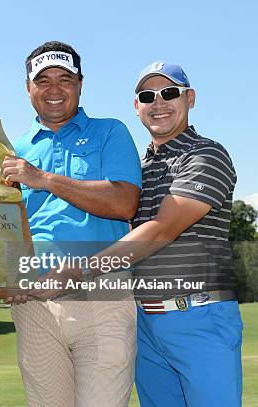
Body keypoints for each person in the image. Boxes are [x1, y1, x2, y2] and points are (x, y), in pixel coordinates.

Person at [0, 41, 142, 407]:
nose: (54, 89)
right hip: (34, 303)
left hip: (101, 293)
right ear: (28, 88)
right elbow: (10, 229)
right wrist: (6, 276)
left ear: (80, 84)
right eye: (43, 80)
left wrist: (44, 179)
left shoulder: (110, 132)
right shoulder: (15, 149)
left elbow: (125, 203)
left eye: (65, 79)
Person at [126, 61, 240, 406]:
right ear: (137, 107)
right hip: (145, 324)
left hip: (200, 318)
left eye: (170, 93)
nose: (158, 103)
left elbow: (162, 230)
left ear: (189, 98)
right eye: (148, 95)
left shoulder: (207, 154)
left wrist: (77, 271)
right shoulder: (137, 169)